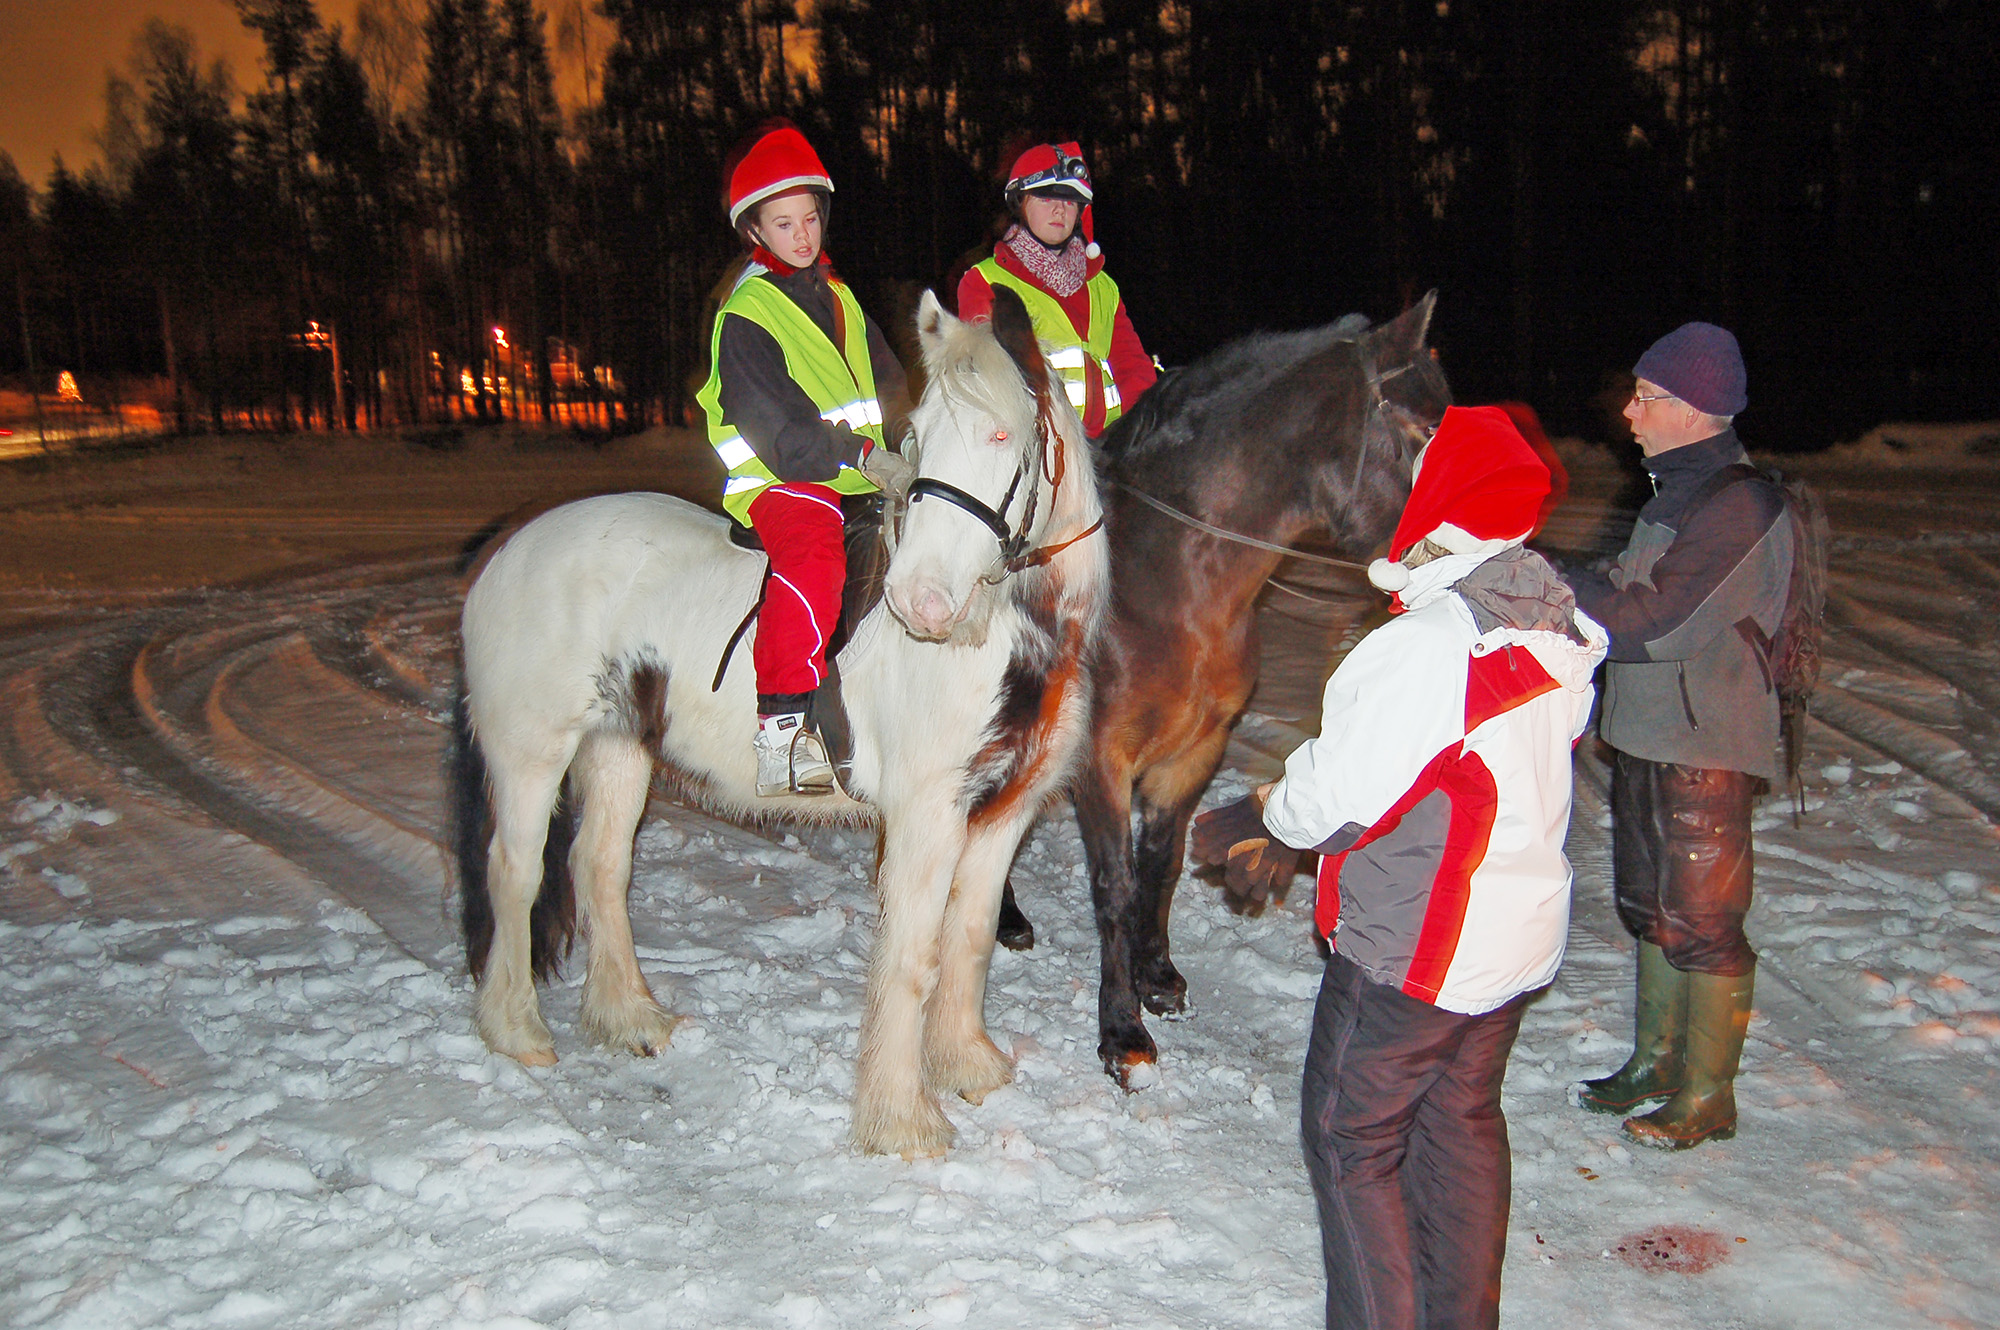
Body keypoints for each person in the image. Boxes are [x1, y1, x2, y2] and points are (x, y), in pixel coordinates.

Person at [1191, 406, 1608, 1330]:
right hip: (1512, 940)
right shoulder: (1548, 619)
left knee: (1352, 1139)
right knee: (1457, 1125)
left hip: (1419, 953)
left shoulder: (1430, 645)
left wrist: (1268, 814)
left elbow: (1339, 797)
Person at [1565, 322, 1792, 1149]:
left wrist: (1548, 577)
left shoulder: (1740, 504)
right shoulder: (1677, 494)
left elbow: (1652, 622)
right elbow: (1624, 590)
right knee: (1652, 909)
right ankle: (1657, 1063)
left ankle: (1707, 1095)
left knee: (1703, 921)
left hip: (1704, 748)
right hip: (1653, 736)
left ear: (1697, 410)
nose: (1630, 409)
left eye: (1648, 396)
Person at [695, 122, 912, 797]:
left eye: (810, 218)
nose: (802, 234)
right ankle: (783, 728)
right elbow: (782, 437)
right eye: (783, 223)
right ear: (756, 232)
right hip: (785, 479)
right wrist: (866, 455)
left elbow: (892, 386)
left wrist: (910, 446)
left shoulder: (842, 300)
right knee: (817, 557)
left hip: (859, 474)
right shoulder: (747, 316)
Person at [955, 141, 1156, 436]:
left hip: (1108, 451)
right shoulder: (983, 282)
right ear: (1020, 204)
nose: (1060, 210)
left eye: (1070, 201)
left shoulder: (1102, 286)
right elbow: (993, 381)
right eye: (1046, 198)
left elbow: (1133, 370)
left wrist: (1139, 432)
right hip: (1037, 453)